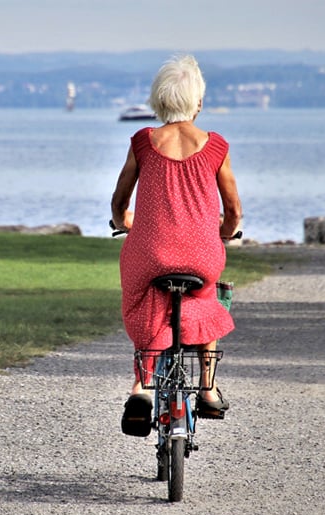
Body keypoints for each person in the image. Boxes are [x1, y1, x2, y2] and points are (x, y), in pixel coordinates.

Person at [111, 54, 242, 436]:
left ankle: (142, 388)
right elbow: (232, 208)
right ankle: (208, 387)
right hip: (201, 255)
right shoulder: (216, 146)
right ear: (197, 102)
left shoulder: (143, 142)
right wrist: (227, 231)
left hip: (150, 253)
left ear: (158, 101)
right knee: (205, 299)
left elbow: (120, 202)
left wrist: (124, 223)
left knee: (146, 297)